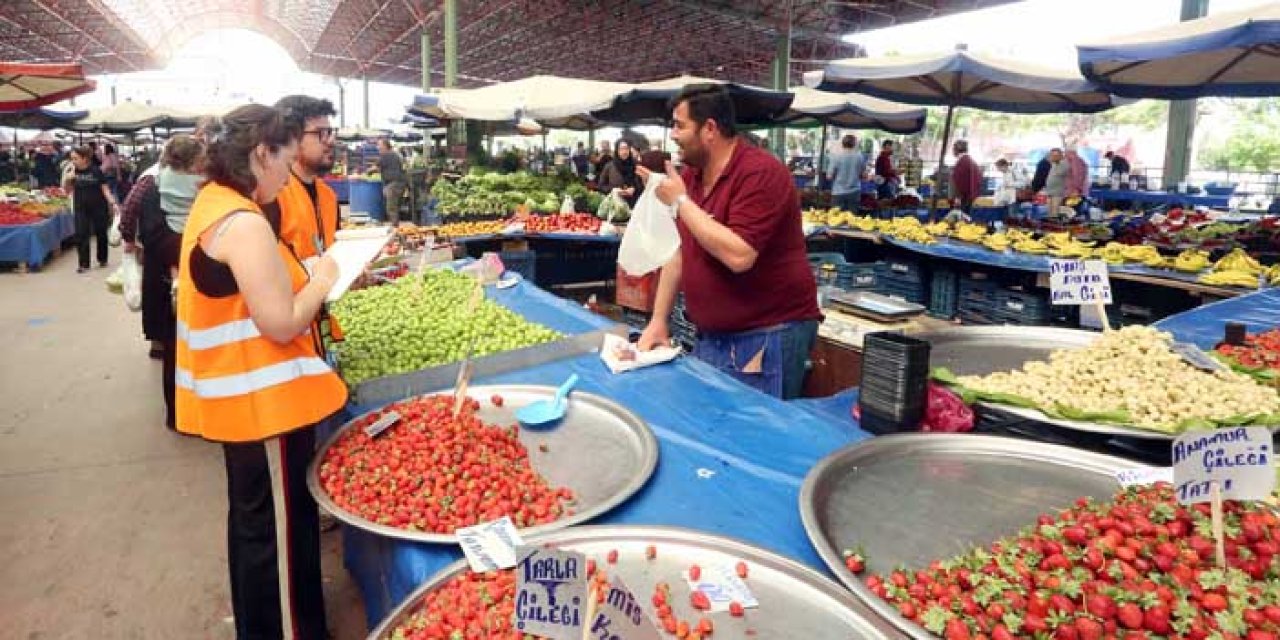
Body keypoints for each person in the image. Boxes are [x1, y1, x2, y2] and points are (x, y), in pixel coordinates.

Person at [175, 103, 345, 640]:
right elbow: (280, 321)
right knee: (278, 537)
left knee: (256, 528)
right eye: (284, 158)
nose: (288, 173)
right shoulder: (244, 222)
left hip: (245, 406)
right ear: (259, 154)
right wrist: (323, 277)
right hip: (263, 407)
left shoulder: (215, 203)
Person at [636, 84, 821, 399]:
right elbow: (680, 251)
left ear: (709, 129)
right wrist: (658, 320)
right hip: (714, 336)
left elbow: (739, 256)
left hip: (767, 334)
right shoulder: (693, 178)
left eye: (680, 126)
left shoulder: (760, 173)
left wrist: (681, 202)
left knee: (756, 437)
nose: (674, 136)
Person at [136, 135, 206, 428]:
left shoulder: (203, 189)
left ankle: (196, 413)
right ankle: (177, 417)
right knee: (176, 353)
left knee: (191, 352)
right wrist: (200, 248)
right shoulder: (155, 189)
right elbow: (154, 237)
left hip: (188, 280)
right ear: (190, 162)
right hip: (170, 284)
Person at [272, 96, 340, 260]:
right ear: (291, 137)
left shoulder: (328, 196)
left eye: (330, 132)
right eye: (320, 133)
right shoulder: (272, 197)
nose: (331, 141)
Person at [63, 146, 119, 273]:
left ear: (85, 158)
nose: (73, 161)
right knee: (81, 234)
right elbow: (67, 191)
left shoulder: (96, 171)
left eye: (75, 158)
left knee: (101, 232)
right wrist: (68, 179)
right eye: (72, 158)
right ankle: (83, 264)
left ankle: (102, 258)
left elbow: (105, 189)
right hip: (80, 208)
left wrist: (113, 203)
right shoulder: (72, 171)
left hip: (99, 207)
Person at [598, 140, 643, 207]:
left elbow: (643, 184)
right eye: (621, 149)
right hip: (615, 206)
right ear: (617, 151)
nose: (624, 152)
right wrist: (614, 190)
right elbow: (601, 186)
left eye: (626, 148)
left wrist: (635, 189)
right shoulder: (609, 166)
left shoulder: (637, 165)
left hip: (634, 204)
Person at [827, 134, 865, 213]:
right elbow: (863, 175)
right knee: (852, 220)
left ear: (842, 144)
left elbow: (829, 176)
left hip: (838, 192)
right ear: (854, 144)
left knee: (836, 220)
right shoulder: (860, 157)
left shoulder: (836, 156)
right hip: (854, 192)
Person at [377, 138, 406, 224]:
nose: (378, 147)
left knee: (391, 208)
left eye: (379, 145)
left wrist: (367, 172)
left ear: (385, 146)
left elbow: (376, 167)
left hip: (393, 184)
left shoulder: (387, 155)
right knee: (395, 206)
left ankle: (395, 227)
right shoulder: (394, 154)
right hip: (399, 183)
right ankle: (395, 225)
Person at [950, 140, 981, 214]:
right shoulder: (970, 161)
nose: (952, 152)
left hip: (964, 198)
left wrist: (958, 198)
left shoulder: (962, 162)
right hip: (969, 197)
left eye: (953, 149)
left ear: (957, 150)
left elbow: (959, 182)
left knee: (961, 220)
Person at [1044, 148, 1070, 218]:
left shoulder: (1064, 164)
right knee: (1049, 212)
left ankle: (1055, 225)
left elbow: (1060, 173)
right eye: (1052, 155)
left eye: (1055, 155)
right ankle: (1049, 225)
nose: (1052, 157)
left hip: (1057, 193)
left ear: (1061, 155)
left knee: (1055, 212)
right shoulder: (1054, 164)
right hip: (1050, 192)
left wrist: (1054, 161)